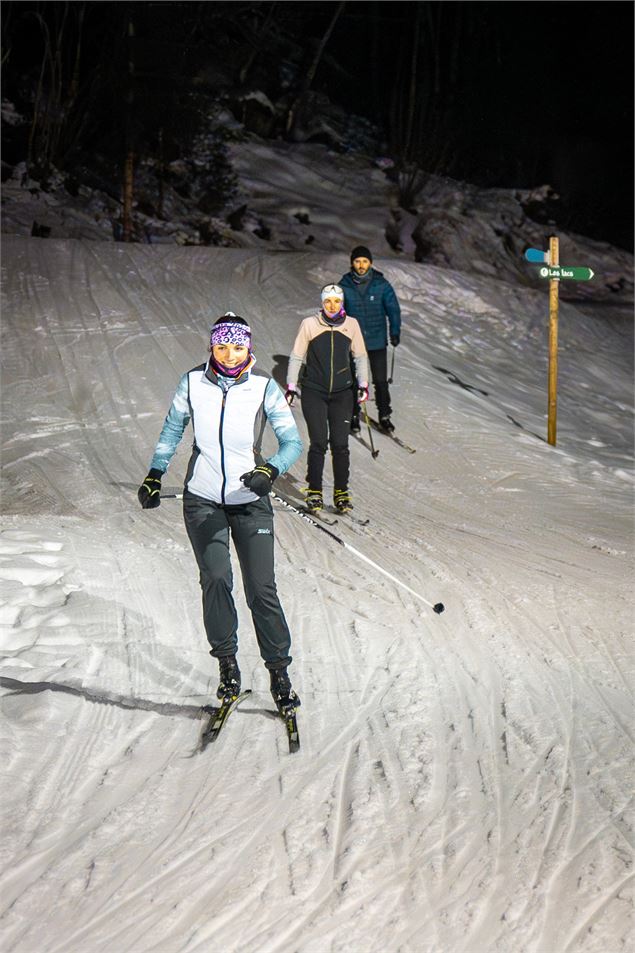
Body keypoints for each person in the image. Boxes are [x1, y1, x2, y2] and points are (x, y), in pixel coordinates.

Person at [137, 313, 303, 711]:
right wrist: (155, 473)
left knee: (261, 588)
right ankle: (228, 667)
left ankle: (279, 672)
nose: (230, 354)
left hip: (250, 502)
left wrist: (270, 469)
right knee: (215, 578)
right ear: (211, 346)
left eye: (238, 347)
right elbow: (173, 428)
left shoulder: (264, 385)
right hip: (204, 499)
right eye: (222, 346)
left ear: (249, 347)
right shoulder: (192, 383)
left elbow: (291, 441)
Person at [286, 284, 368, 514]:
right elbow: (296, 356)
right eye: (327, 302)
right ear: (322, 303)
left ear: (342, 303)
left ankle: (341, 493)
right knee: (319, 442)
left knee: (341, 445)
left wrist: (363, 384)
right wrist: (291, 386)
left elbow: (360, 357)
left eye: (336, 302)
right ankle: (314, 491)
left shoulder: (351, 325)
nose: (332, 306)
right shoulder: (309, 324)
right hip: (315, 391)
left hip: (343, 393)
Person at [339, 245, 401, 433]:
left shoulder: (381, 285)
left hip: (377, 342)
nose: (361, 265)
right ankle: (354, 414)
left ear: (370, 263)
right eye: (357, 261)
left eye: (364, 261)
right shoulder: (344, 285)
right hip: (354, 342)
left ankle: (384, 415)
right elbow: (336, 312)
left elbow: (393, 310)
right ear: (352, 263)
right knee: (355, 381)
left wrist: (395, 332)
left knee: (380, 381)